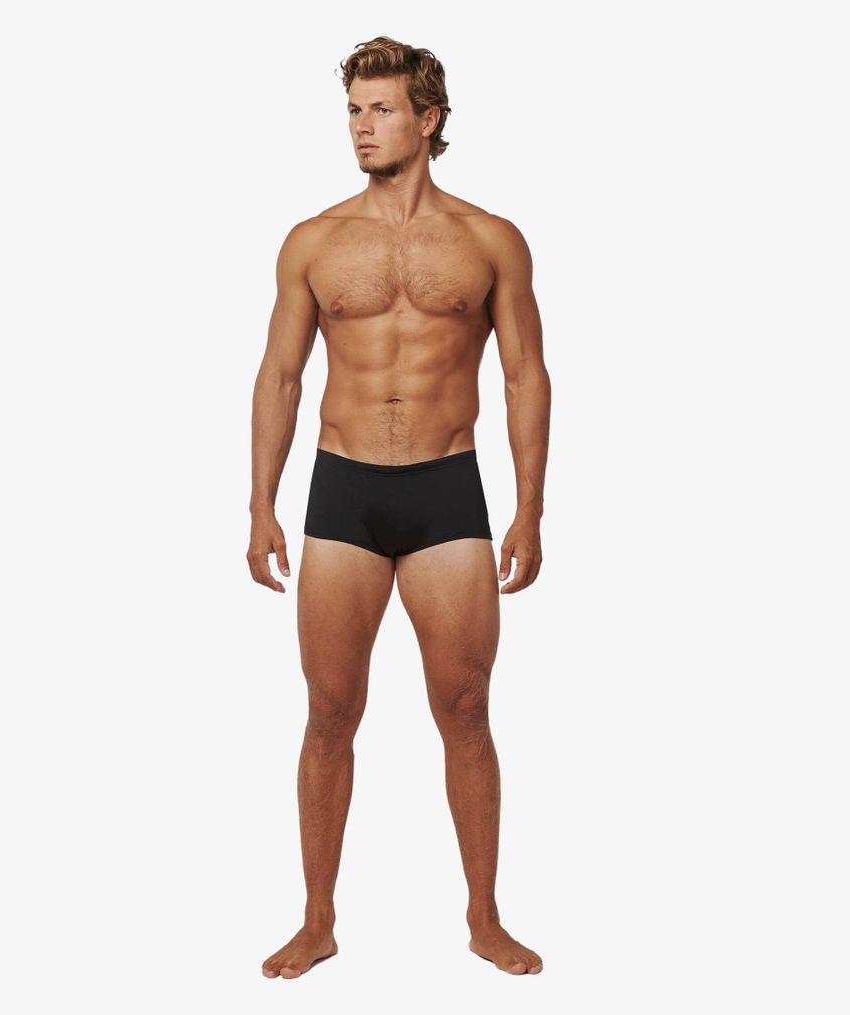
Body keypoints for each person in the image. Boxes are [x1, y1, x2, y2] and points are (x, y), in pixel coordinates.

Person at [249, 36, 550, 979]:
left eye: (380, 110)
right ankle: (317, 919)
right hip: (341, 488)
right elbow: (281, 375)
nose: (361, 128)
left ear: (429, 119)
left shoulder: (490, 240)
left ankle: (484, 917)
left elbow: (525, 375)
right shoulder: (312, 241)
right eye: (353, 110)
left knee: (464, 706)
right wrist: (259, 504)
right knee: (329, 709)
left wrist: (530, 507)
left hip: (445, 489)